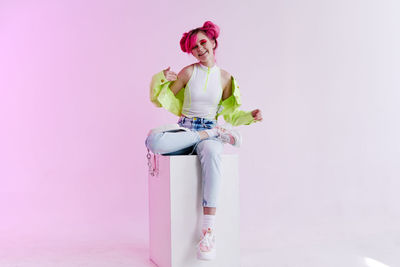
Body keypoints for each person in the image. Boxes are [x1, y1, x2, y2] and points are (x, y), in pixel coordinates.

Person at [145, 21, 263, 261]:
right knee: (154, 141)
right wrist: (160, 78)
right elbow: (161, 99)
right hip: (187, 128)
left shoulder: (226, 79)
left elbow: (229, 115)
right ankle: (215, 135)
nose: (199, 49)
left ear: (213, 43)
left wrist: (249, 117)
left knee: (212, 153)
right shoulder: (188, 72)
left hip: (210, 127)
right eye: (194, 47)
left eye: (203, 43)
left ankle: (208, 232)